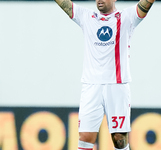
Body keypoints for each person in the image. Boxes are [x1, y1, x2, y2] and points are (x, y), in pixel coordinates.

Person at [55, 0, 155, 149]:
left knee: (119, 138)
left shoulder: (126, 17)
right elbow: (65, 4)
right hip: (91, 86)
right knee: (85, 137)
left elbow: (145, 5)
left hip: (117, 85)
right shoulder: (86, 17)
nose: (99, 0)